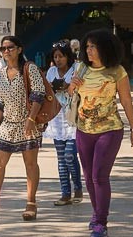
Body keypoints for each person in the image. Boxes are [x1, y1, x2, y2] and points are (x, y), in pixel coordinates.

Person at [69, 29, 133, 237]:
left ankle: (101, 221)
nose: (89, 50)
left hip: (109, 130)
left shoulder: (117, 72)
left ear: (105, 48)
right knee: (88, 177)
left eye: (93, 46)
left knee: (99, 176)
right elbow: (71, 95)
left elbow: (126, 100)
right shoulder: (81, 68)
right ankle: (97, 212)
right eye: (87, 46)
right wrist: (71, 86)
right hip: (83, 130)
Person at [0, 35, 45, 224]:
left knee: (30, 164)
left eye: (10, 47)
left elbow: (39, 94)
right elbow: (1, 103)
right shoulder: (2, 71)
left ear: (19, 49)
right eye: (3, 48)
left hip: (27, 123)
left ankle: (31, 204)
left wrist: (31, 119)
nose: (6, 51)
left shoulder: (29, 68)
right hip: (7, 124)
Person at [44, 41, 84, 206]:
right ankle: (65, 193)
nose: (58, 59)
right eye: (55, 57)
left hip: (73, 117)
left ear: (68, 56)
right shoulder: (51, 71)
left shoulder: (77, 69)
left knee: (69, 155)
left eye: (61, 56)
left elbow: (82, 89)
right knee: (61, 158)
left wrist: (69, 86)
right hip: (56, 118)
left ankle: (78, 188)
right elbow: (46, 91)